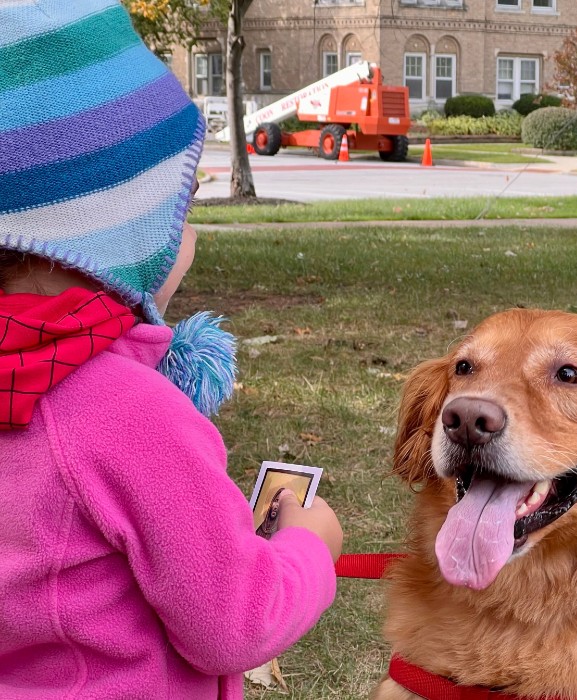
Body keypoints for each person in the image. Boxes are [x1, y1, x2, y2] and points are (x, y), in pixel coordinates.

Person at [0, 2, 344, 698]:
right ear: (115, 230)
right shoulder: (127, 412)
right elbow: (236, 623)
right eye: (180, 208)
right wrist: (311, 546)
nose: (190, 234)